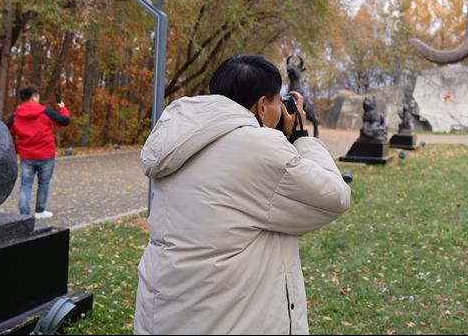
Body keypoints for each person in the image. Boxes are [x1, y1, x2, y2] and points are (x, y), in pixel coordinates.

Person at [134, 54, 351, 335]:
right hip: (228, 323)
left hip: (170, 314)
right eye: (276, 101)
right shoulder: (257, 147)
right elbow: (334, 196)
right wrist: (299, 135)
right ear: (262, 106)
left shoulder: (182, 135)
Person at [7, 85, 70, 218]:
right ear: (34, 97)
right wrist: (62, 108)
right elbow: (65, 121)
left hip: (26, 156)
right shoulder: (45, 112)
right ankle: (40, 211)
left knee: (25, 184)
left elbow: (8, 135)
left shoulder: (15, 117)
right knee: (44, 183)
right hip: (46, 155)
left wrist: (18, 149)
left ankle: (24, 214)